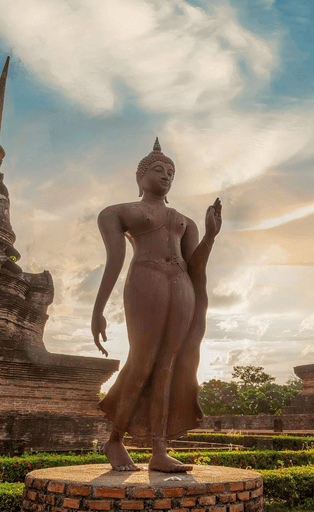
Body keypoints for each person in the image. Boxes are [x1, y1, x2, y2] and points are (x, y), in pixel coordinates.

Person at [91, 138, 222, 472]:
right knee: (142, 360)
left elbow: (195, 266)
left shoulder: (185, 221)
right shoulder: (118, 213)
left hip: (181, 284)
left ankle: (159, 450)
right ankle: (115, 439)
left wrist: (210, 236)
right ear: (141, 177)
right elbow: (114, 262)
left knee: (169, 365)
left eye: (171, 173)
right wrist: (98, 310)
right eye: (158, 170)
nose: (166, 176)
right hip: (146, 278)